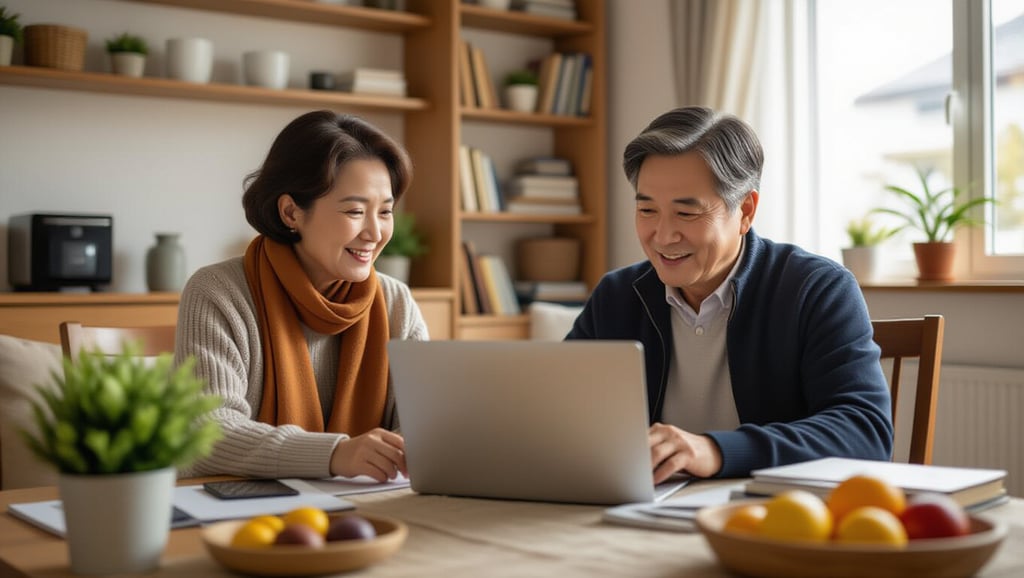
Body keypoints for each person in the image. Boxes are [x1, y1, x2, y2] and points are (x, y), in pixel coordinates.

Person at [567, 106, 893, 482]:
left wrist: (716, 451)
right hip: (643, 512)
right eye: (646, 210)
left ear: (746, 211)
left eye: (686, 214)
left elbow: (865, 432)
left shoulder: (815, 289)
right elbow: (556, 411)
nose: (663, 235)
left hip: (772, 518)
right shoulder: (617, 296)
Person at [175, 110, 429, 482]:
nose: (375, 232)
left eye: (385, 212)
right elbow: (207, 432)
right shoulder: (218, 292)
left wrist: (409, 446)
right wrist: (336, 454)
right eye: (355, 211)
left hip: (366, 507)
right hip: (247, 514)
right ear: (291, 211)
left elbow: (426, 421)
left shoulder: (396, 303)